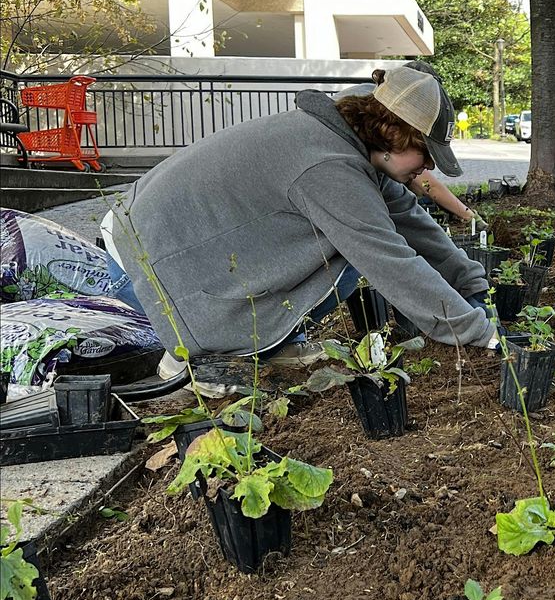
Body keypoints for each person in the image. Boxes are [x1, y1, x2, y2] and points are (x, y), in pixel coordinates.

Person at [103, 64, 498, 389]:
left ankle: (268, 346)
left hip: (171, 239)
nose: (428, 169)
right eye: (426, 155)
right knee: (349, 255)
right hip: (148, 265)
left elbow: (412, 222)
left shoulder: (354, 144)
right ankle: (196, 362)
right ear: (395, 134)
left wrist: (472, 285)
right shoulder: (328, 167)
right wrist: (479, 333)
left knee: (344, 262)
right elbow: (389, 260)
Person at [338, 68, 479, 225]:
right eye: (426, 151)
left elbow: (406, 215)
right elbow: (372, 239)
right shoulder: (336, 168)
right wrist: (469, 216)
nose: (430, 166)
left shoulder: (377, 156)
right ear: (393, 135)